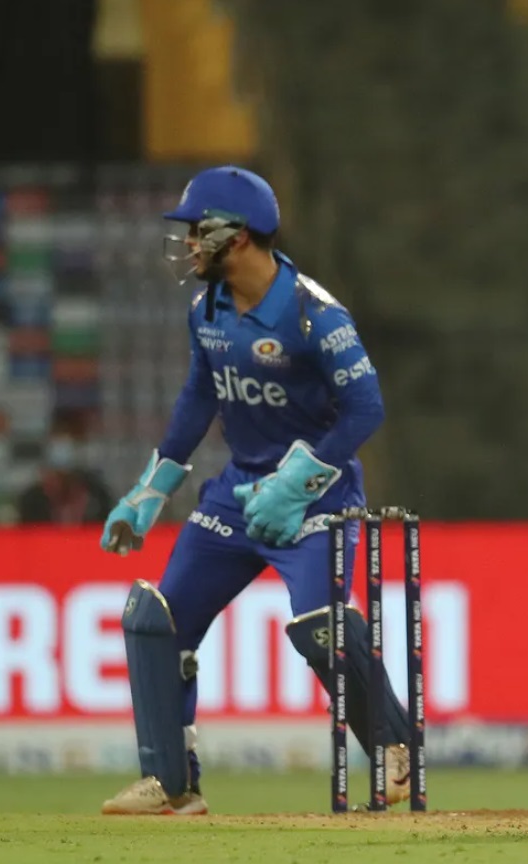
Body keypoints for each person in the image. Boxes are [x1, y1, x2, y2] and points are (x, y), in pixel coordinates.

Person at [98, 165, 415, 814]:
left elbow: (365, 410)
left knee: (321, 627)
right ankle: (172, 785)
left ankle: (395, 750)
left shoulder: (313, 315)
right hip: (236, 495)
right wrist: (150, 489)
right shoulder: (206, 310)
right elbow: (198, 398)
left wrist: (296, 483)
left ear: (236, 235)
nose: (188, 244)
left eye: (197, 231)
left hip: (318, 500)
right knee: (158, 623)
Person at [16, 429, 113, 525]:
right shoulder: (32, 500)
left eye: (58, 476)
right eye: (48, 474)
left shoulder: (96, 497)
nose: (50, 481)